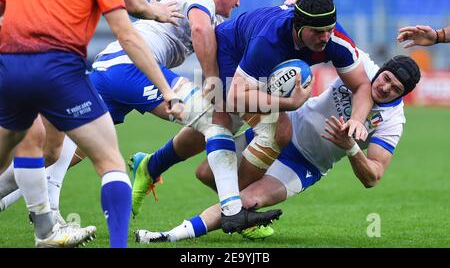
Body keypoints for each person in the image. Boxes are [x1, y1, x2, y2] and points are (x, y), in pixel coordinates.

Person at [130, 0, 375, 234]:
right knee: (274, 130)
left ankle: (151, 166)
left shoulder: (334, 39)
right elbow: (237, 96)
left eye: (329, 29)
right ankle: (236, 211)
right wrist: (291, 104)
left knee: (222, 128)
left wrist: (357, 120)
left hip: (261, 70)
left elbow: (362, 85)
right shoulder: (269, 40)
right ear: (298, 26)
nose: (325, 37)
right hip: (230, 54)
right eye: (318, 32)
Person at [0, 0, 183, 248]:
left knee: (30, 147)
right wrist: (166, 89)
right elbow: (127, 35)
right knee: (110, 161)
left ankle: (45, 230)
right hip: (60, 72)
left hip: (12, 70)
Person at [133, 53, 421, 243]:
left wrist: (351, 148)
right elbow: (334, 38)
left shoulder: (393, 121)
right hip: (283, 127)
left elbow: (373, 176)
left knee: (246, 200)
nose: (385, 88)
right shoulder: (362, 69)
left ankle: (167, 236)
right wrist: (295, 10)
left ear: (402, 96)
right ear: (380, 70)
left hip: (304, 165)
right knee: (207, 170)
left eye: (395, 89)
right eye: (386, 79)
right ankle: (153, 164)